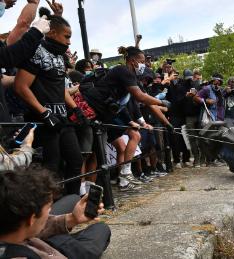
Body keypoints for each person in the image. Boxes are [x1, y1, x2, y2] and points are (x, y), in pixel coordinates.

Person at [14, 7, 86, 195]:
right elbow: (21, 86)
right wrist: (43, 112)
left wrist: (75, 108)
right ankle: (46, 214)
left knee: (75, 160)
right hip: (43, 121)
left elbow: (59, 87)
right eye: (66, 37)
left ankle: (71, 204)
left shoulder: (59, 56)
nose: (69, 42)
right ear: (52, 33)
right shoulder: (36, 51)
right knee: (50, 167)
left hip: (62, 119)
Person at [80, 46, 167, 191]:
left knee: (96, 153)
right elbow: (140, 98)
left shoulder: (131, 77)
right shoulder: (123, 71)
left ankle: (98, 188)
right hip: (94, 110)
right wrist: (161, 102)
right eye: (142, 61)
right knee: (86, 154)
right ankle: (84, 191)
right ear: (133, 61)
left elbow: (125, 104)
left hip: (105, 113)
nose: (144, 65)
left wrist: (165, 122)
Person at [0, 168, 111, 259]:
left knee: (73, 199)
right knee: (101, 229)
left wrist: (72, 219)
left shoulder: (13, 231)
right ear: (32, 219)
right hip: (57, 248)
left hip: (42, 241)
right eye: (48, 208)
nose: (50, 211)